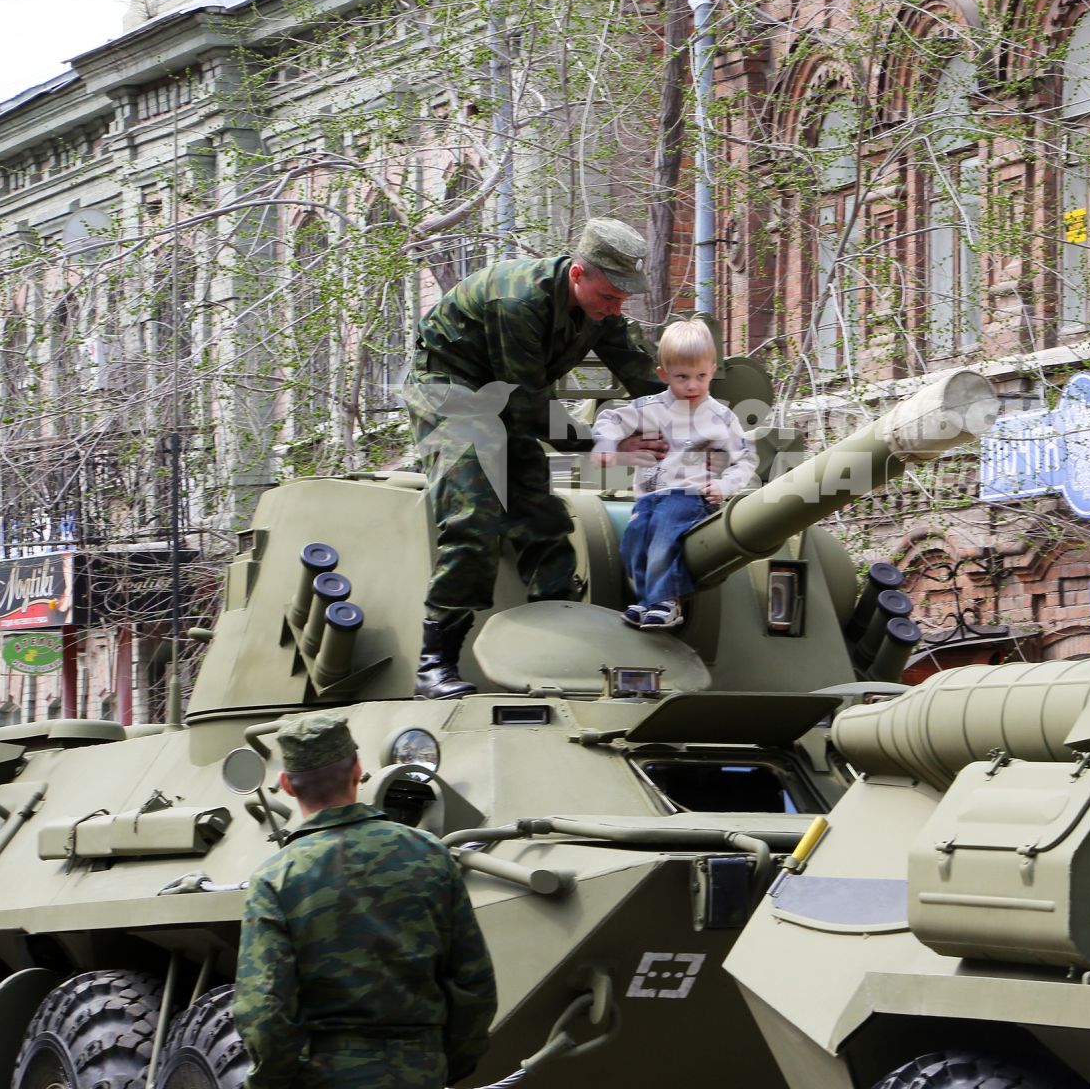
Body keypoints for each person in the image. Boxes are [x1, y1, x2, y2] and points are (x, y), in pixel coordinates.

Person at [406, 218, 666, 699]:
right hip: (451, 389)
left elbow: (638, 370)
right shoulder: (518, 302)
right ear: (577, 275)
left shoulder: (600, 311)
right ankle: (433, 665)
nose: (615, 309)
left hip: (507, 399)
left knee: (544, 522)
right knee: (474, 519)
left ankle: (563, 655)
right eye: (610, 297)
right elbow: (526, 403)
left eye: (623, 300)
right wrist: (600, 446)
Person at [234, 714, 496, 1089]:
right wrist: (439, 1064)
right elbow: (474, 984)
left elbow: (265, 1009)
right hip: (421, 1070)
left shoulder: (276, 879)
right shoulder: (430, 855)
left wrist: (269, 1082)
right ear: (357, 770)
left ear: (287, 786)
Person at [592, 318, 757, 629]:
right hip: (650, 497)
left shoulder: (721, 417)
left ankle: (667, 602)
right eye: (682, 377)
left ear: (712, 368)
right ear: (663, 374)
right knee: (634, 541)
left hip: (692, 496)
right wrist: (606, 443)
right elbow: (611, 418)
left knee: (665, 536)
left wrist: (725, 486)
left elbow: (746, 459)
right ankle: (647, 601)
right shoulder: (650, 408)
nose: (692, 385)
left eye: (701, 376)